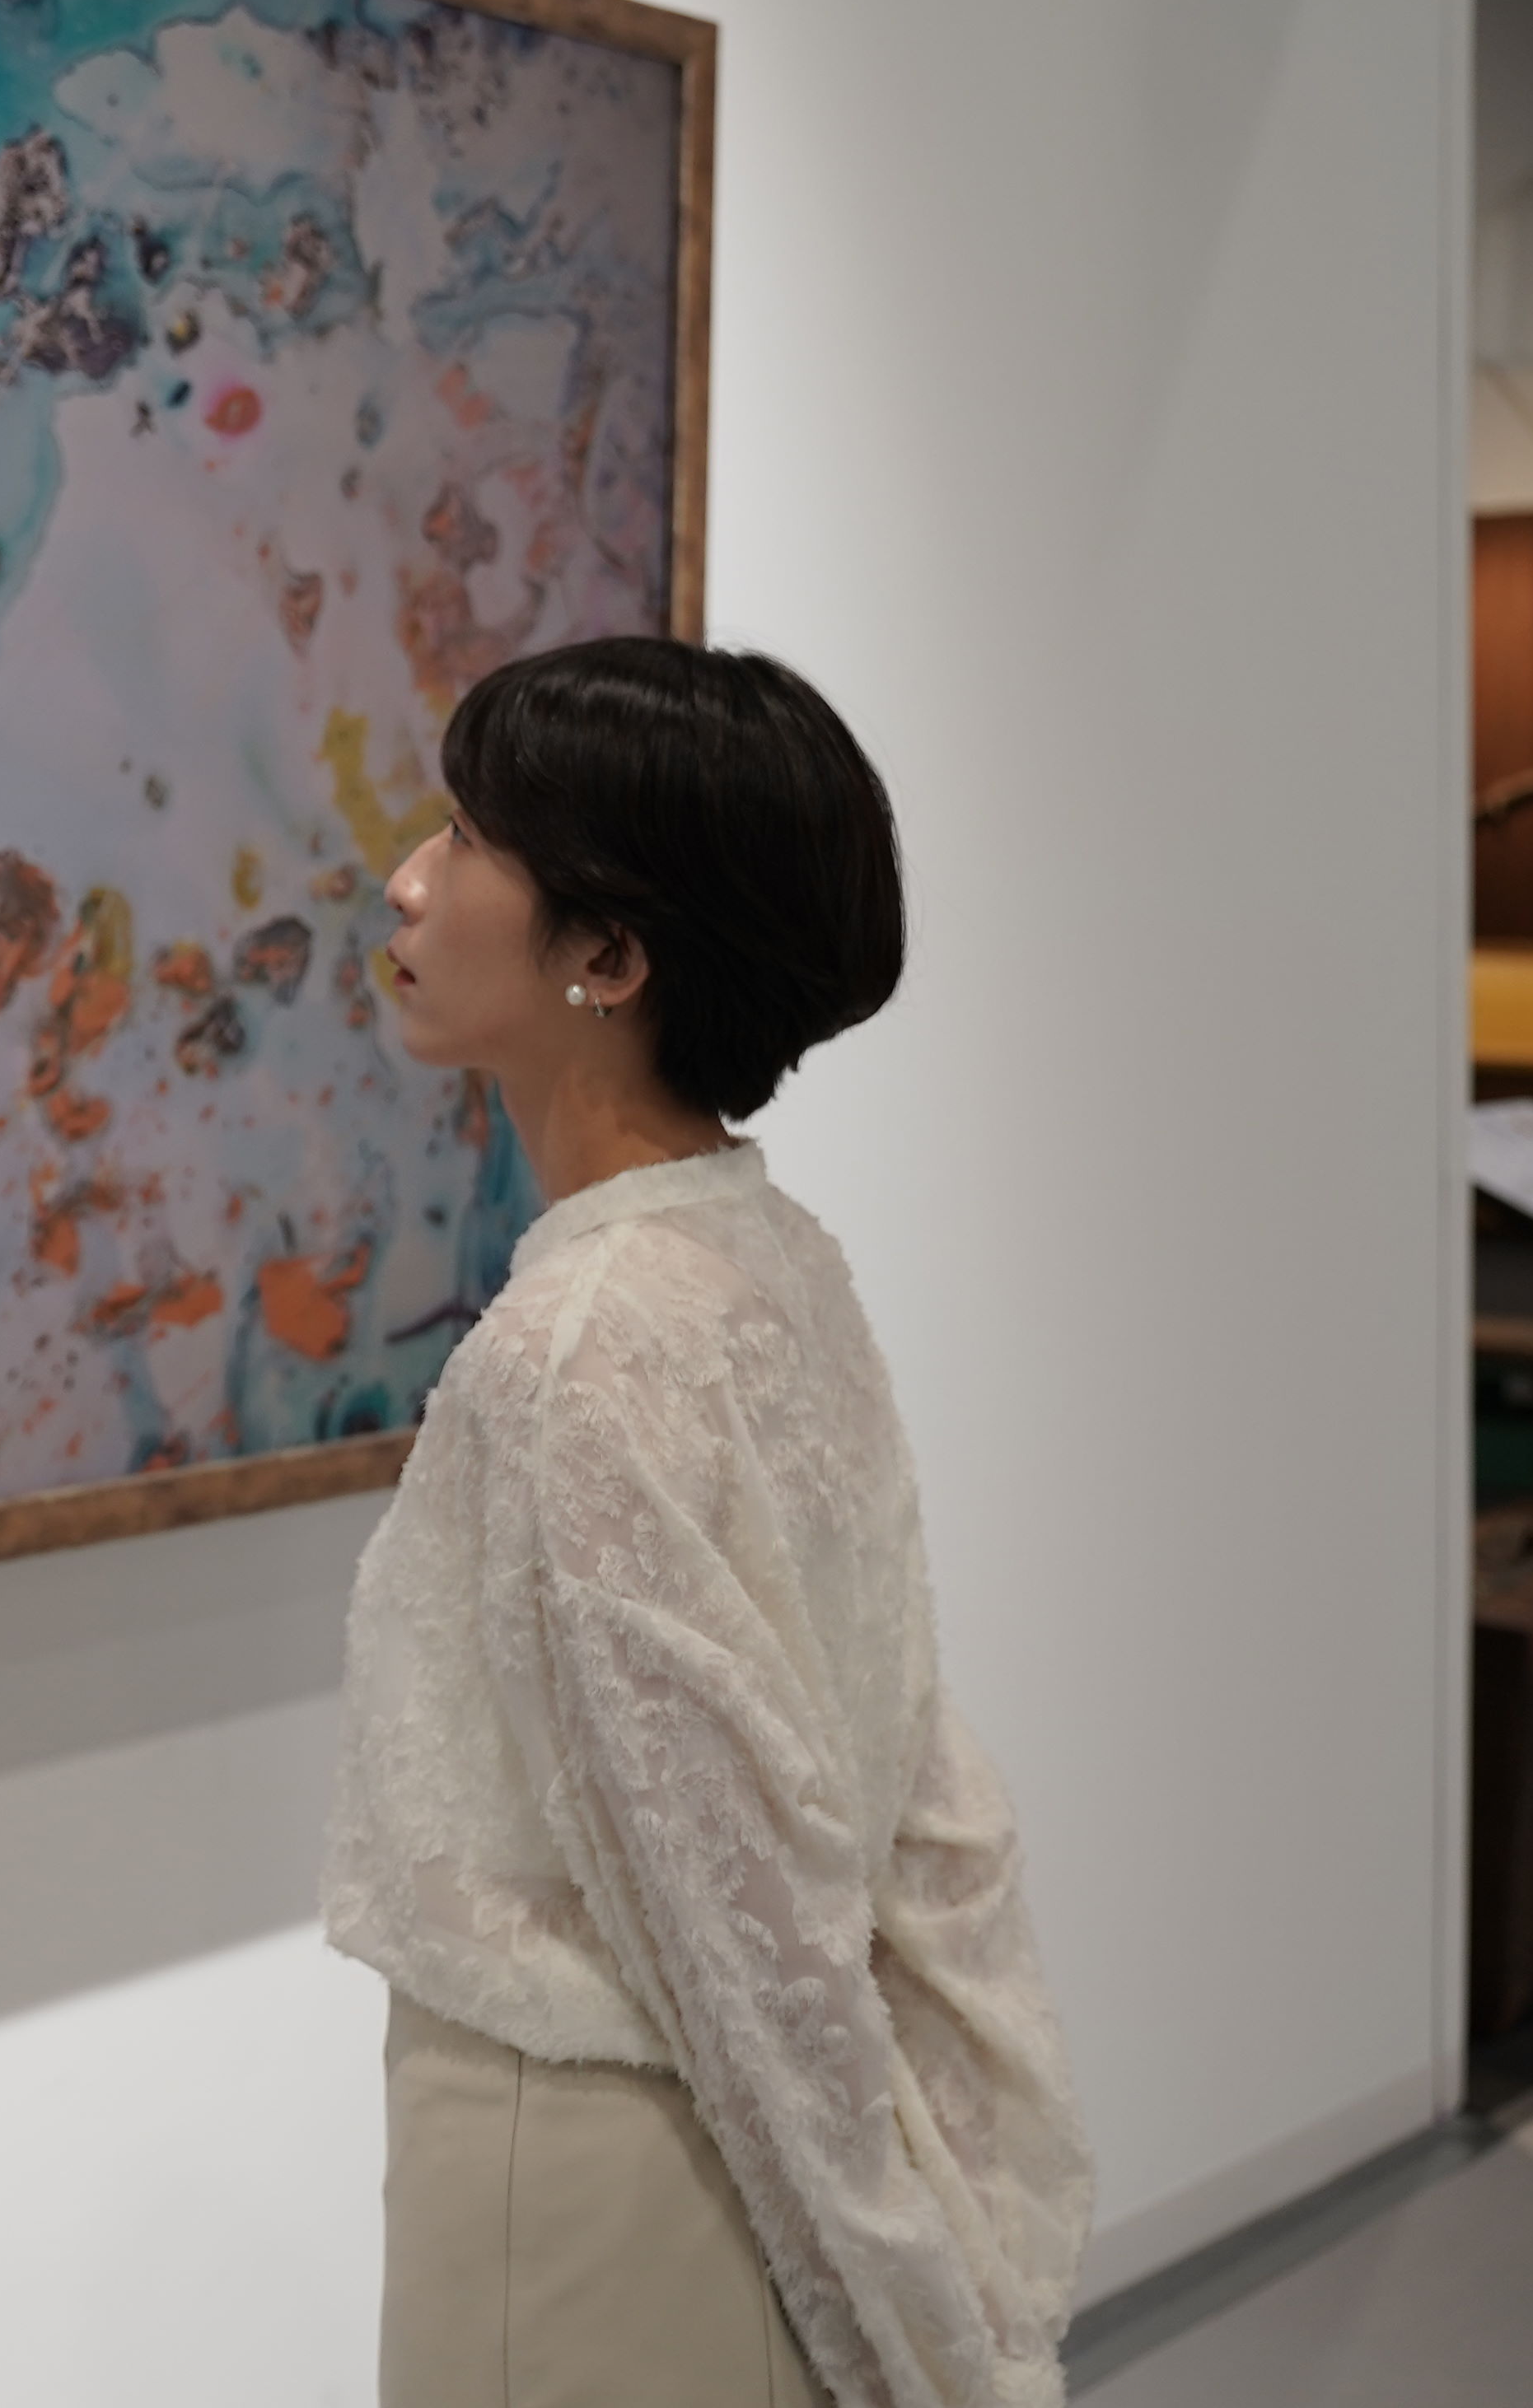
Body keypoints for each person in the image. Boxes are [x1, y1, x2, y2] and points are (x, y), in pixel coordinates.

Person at [325, 638, 1092, 2408]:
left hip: (588, 2194)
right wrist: (942, 2217)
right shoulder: (768, 1258)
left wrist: (904, 2327)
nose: (407, 881)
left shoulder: (577, 1350)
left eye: (467, 839)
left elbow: (729, 1903)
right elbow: (909, 1793)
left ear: (606, 956)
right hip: (701, 2164)